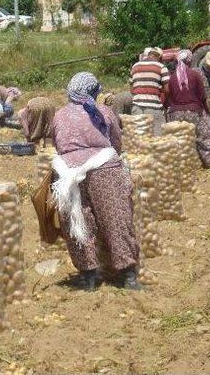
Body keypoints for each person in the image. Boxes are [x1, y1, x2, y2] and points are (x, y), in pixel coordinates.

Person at [51, 72, 141, 291]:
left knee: (79, 221)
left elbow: (56, 143)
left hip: (68, 172)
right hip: (104, 167)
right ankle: (128, 274)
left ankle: (88, 276)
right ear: (93, 92)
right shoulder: (103, 111)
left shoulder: (59, 115)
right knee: (116, 217)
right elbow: (117, 141)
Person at [166, 50, 210, 168]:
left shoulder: (172, 77)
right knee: (206, 136)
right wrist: (206, 111)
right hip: (194, 111)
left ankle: (182, 166)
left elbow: (169, 96)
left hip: (176, 114)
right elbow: (202, 96)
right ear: (189, 61)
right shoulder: (195, 75)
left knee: (180, 140)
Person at [130, 47, 169, 135]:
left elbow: (132, 90)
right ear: (159, 57)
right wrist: (158, 89)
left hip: (137, 107)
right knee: (158, 138)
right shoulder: (161, 67)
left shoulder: (135, 66)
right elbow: (167, 90)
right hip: (153, 108)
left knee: (139, 139)